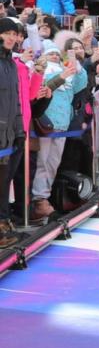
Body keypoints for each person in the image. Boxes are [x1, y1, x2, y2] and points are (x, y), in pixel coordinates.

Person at [30, 40, 87, 216]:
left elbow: (80, 83)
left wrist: (76, 65)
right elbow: (43, 88)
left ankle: (44, 197)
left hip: (62, 124)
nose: (54, 56)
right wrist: (62, 75)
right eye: (50, 53)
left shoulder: (66, 72)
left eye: (56, 53)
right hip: (45, 124)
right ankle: (39, 200)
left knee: (53, 163)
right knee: (43, 163)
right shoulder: (42, 72)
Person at [0, 19, 23, 246]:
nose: (10, 37)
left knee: (3, 183)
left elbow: (15, 101)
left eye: (13, 34)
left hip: (8, 135)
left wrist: (19, 131)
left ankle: (3, 224)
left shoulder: (11, 64)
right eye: (5, 33)